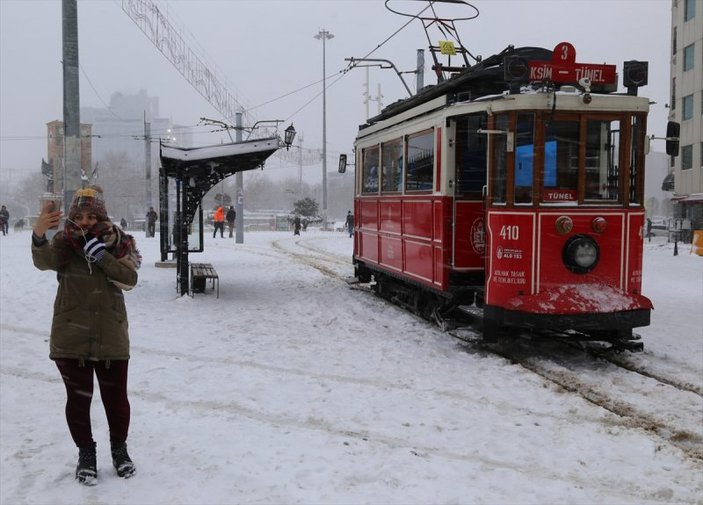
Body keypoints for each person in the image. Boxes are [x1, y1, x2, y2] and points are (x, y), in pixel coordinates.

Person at [31, 185, 141, 486]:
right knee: (78, 400)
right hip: (71, 334)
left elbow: (130, 277)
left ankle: (119, 451)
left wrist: (102, 256)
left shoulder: (119, 242)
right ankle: (86, 453)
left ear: (101, 215)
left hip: (111, 334)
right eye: (79, 215)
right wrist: (39, 235)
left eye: (92, 215)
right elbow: (43, 261)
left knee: (116, 399)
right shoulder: (64, 245)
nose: (86, 221)